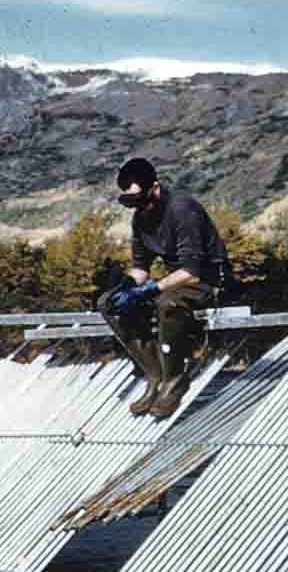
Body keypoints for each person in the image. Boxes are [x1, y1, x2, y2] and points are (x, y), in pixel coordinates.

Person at [98, 157, 230, 419]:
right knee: (108, 305)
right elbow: (140, 269)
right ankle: (155, 375)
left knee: (167, 303)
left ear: (155, 187)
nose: (137, 208)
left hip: (210, 279)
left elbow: (192, 272)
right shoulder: (141, 219)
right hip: (177, 280)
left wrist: (149, 290)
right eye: (130, 203)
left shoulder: (182, 209)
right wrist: (125, 286)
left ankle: (175, 379)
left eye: (140, 199)